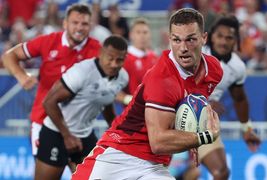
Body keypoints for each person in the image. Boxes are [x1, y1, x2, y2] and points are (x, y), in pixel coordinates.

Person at [72, 8, 223, 179]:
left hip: (153, 165)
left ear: (204, 38)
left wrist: (193, 134)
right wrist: (203, 137)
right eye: (176, 40)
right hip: (118, 156)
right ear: (169, 39)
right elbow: (158, 142)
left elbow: (186, 110)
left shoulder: (214, 70)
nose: (183, 48)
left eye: (190, 40)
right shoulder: (163, 79)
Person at [1, 3, 101, 158]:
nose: (79, 28)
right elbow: (9, 56)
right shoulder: (49, 41)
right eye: (75, 23)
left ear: (90, 26)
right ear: (65, 23)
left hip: (78, 125)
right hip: (44, 120)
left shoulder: (97, 49)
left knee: (86, 174)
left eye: (84, 24)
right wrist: (21, 76)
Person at [35, 35, 128, 180]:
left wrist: (118, 134)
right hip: (56, 133)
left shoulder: (123, 77)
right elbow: (49, 102)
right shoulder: (82, 71)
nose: (114, 64)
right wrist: (67, 136)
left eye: (119, 60)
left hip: (84, 136)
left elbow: (107, 101)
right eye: (110, 58)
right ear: (100, 53)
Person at [200, 14, 261, 179]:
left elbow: (239, 99)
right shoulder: (195, 54)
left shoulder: (237, 67)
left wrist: (247, 130)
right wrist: (203, 103)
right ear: (210, 35)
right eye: (220, 36)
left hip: (203, 124)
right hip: (176, 120)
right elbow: (176, 86)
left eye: (229, 38)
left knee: (221, 173)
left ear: (236, 41)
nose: (223, 42)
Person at [116, 17, 158, 105]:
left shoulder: (154, 57)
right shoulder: (124, 59)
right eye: (138, 32)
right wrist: (129, 100)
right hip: (132, 114)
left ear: (150, 34)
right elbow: (113, 90)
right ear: (131, 35)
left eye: (145, 32)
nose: (142, 36)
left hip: (153, 112)